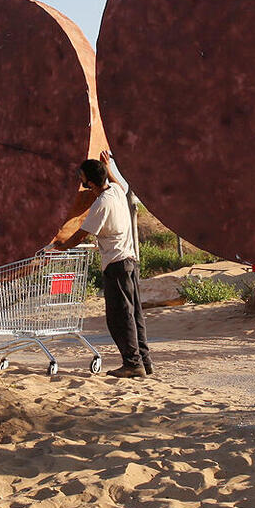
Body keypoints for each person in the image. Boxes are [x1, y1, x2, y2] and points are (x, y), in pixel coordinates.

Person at [53, 149, 151, 379]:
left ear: (88, 181)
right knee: (135, 314)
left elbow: (81, 236)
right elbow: (122, 185)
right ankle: (144, 362)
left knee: (120, 317)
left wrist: (61, 245)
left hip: (116, 265)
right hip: (130, 262)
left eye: (81, 176)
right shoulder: (115, 192)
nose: (80, 179)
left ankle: (132, 364)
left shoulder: (101, 204)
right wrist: (108, 168)